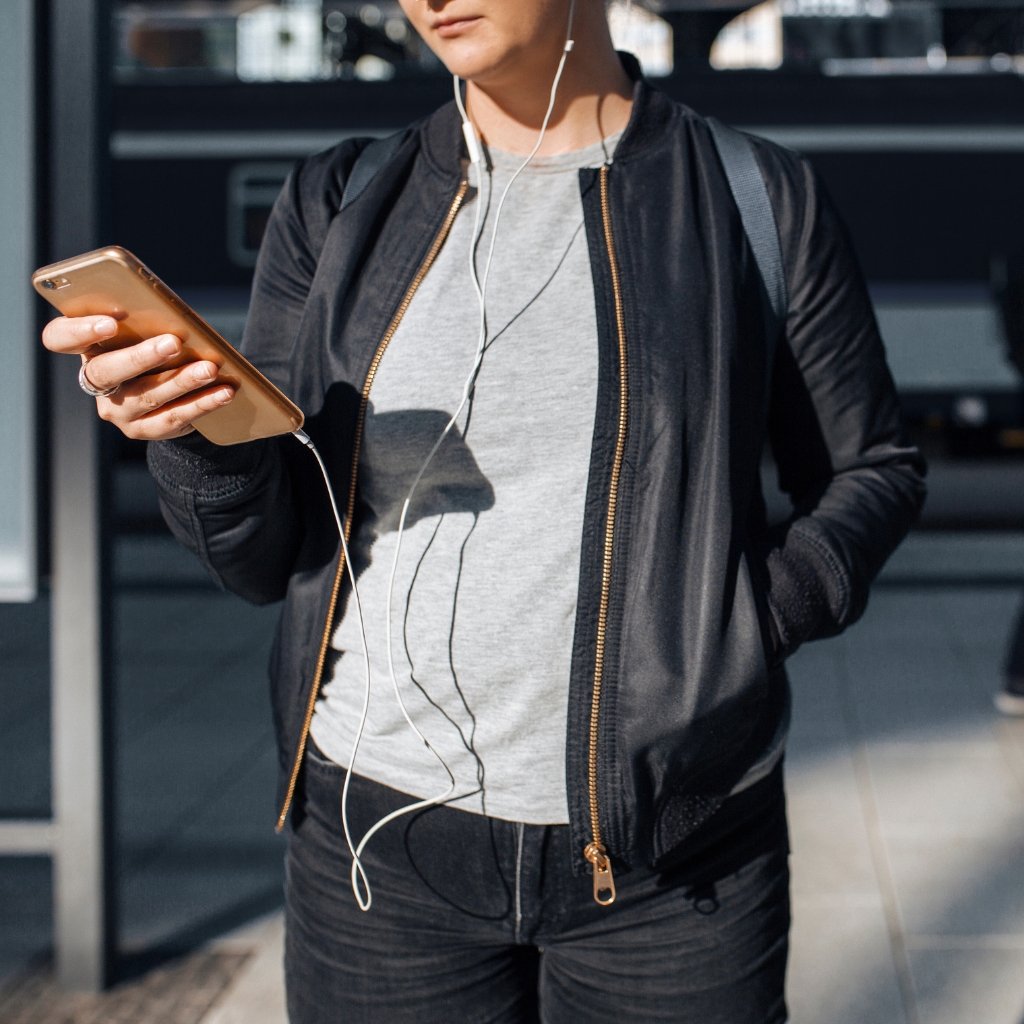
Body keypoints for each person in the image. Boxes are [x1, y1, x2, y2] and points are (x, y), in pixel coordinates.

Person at [42, 1, 926, 1020]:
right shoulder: (340, 201)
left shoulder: (755, 198)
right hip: (376, 857)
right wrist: (192, 437)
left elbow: (871, 468)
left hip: (676, 871)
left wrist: (749, 620)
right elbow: (260, 556)